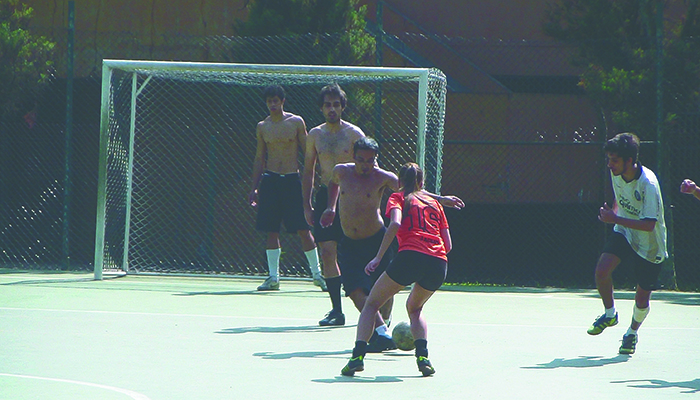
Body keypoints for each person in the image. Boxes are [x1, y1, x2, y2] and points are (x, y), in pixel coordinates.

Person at [340, 162, 452, 377]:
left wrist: (378, 257)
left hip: (410, 256)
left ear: (399, 182)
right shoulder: (435, 204)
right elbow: (448, 244)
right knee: (415, 308)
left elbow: (395, 224)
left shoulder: (398, 197)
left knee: (371, 304)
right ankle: (423, 357)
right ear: (422, 182)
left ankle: (357, 358)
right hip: (439, 262)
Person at [587, 132, 667, 355]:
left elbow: (649, 225)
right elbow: (619, 198)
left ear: (630, 161)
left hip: (650, 244)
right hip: (625, 231)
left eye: (614, 160)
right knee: (602, 270)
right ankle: (610, 314)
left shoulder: (648, 185)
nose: (609, 165)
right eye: (609, 159)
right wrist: (612, 214)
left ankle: (631, 333)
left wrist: (615, 219)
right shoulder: (617, 173)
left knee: (642, 299)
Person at [249, 85, 326, 292]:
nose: (272, 105)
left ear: (283, 102)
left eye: (276, 101)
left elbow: (309, 152)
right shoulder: (262, 126)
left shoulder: (296, 122)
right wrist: (254, 187)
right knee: (271, 229)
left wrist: (316, 176)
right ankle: (273, 277)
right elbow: (259, 158)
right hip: (271, 181)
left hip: (292, 181)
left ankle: (318, 275)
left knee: (303, 228)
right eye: (269, 101)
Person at [303, 83, 364, 326]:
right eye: (327, 105)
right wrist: (307, 205)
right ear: (321, 108)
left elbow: (369, 169)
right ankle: (336, 310)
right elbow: (309, 170)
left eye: (336, 105)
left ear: (342, 107)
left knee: (355, 254)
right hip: (324, 198)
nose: (332, 109)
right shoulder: (315, 135)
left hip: (351, 199)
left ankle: (369, 307)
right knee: (328, 252)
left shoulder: (354, 134)